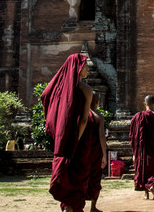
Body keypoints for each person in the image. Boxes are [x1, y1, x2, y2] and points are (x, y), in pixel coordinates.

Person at [41, 53, 94, 212]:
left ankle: (68, 207)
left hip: (62, 139)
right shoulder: (86, 90)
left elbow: (45, 95)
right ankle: (70, 208)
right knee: (77, 176)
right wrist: (75, 140)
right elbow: (84, 119)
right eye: (85, 66)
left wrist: (54, 126)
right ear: (77, 67)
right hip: (78, 139)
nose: (88, 69)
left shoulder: (59, 88)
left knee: (65, 175)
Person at [129, 95, 154, 200]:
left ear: (144, 104)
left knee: (144, 168)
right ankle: (152, 186)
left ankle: (146, 194)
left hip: (142, 149)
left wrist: (134, 152)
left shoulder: (137, 116)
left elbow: (133, 135)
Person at [87, 93, 107, 212]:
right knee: (95, 179)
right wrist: (104, 154)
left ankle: (75, 205)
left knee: (81, 177)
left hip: (82, 153)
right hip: (95, 153)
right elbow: (101, 136)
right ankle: (93, 207)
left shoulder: (79, 115)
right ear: (97, 102)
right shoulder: (98, 116)